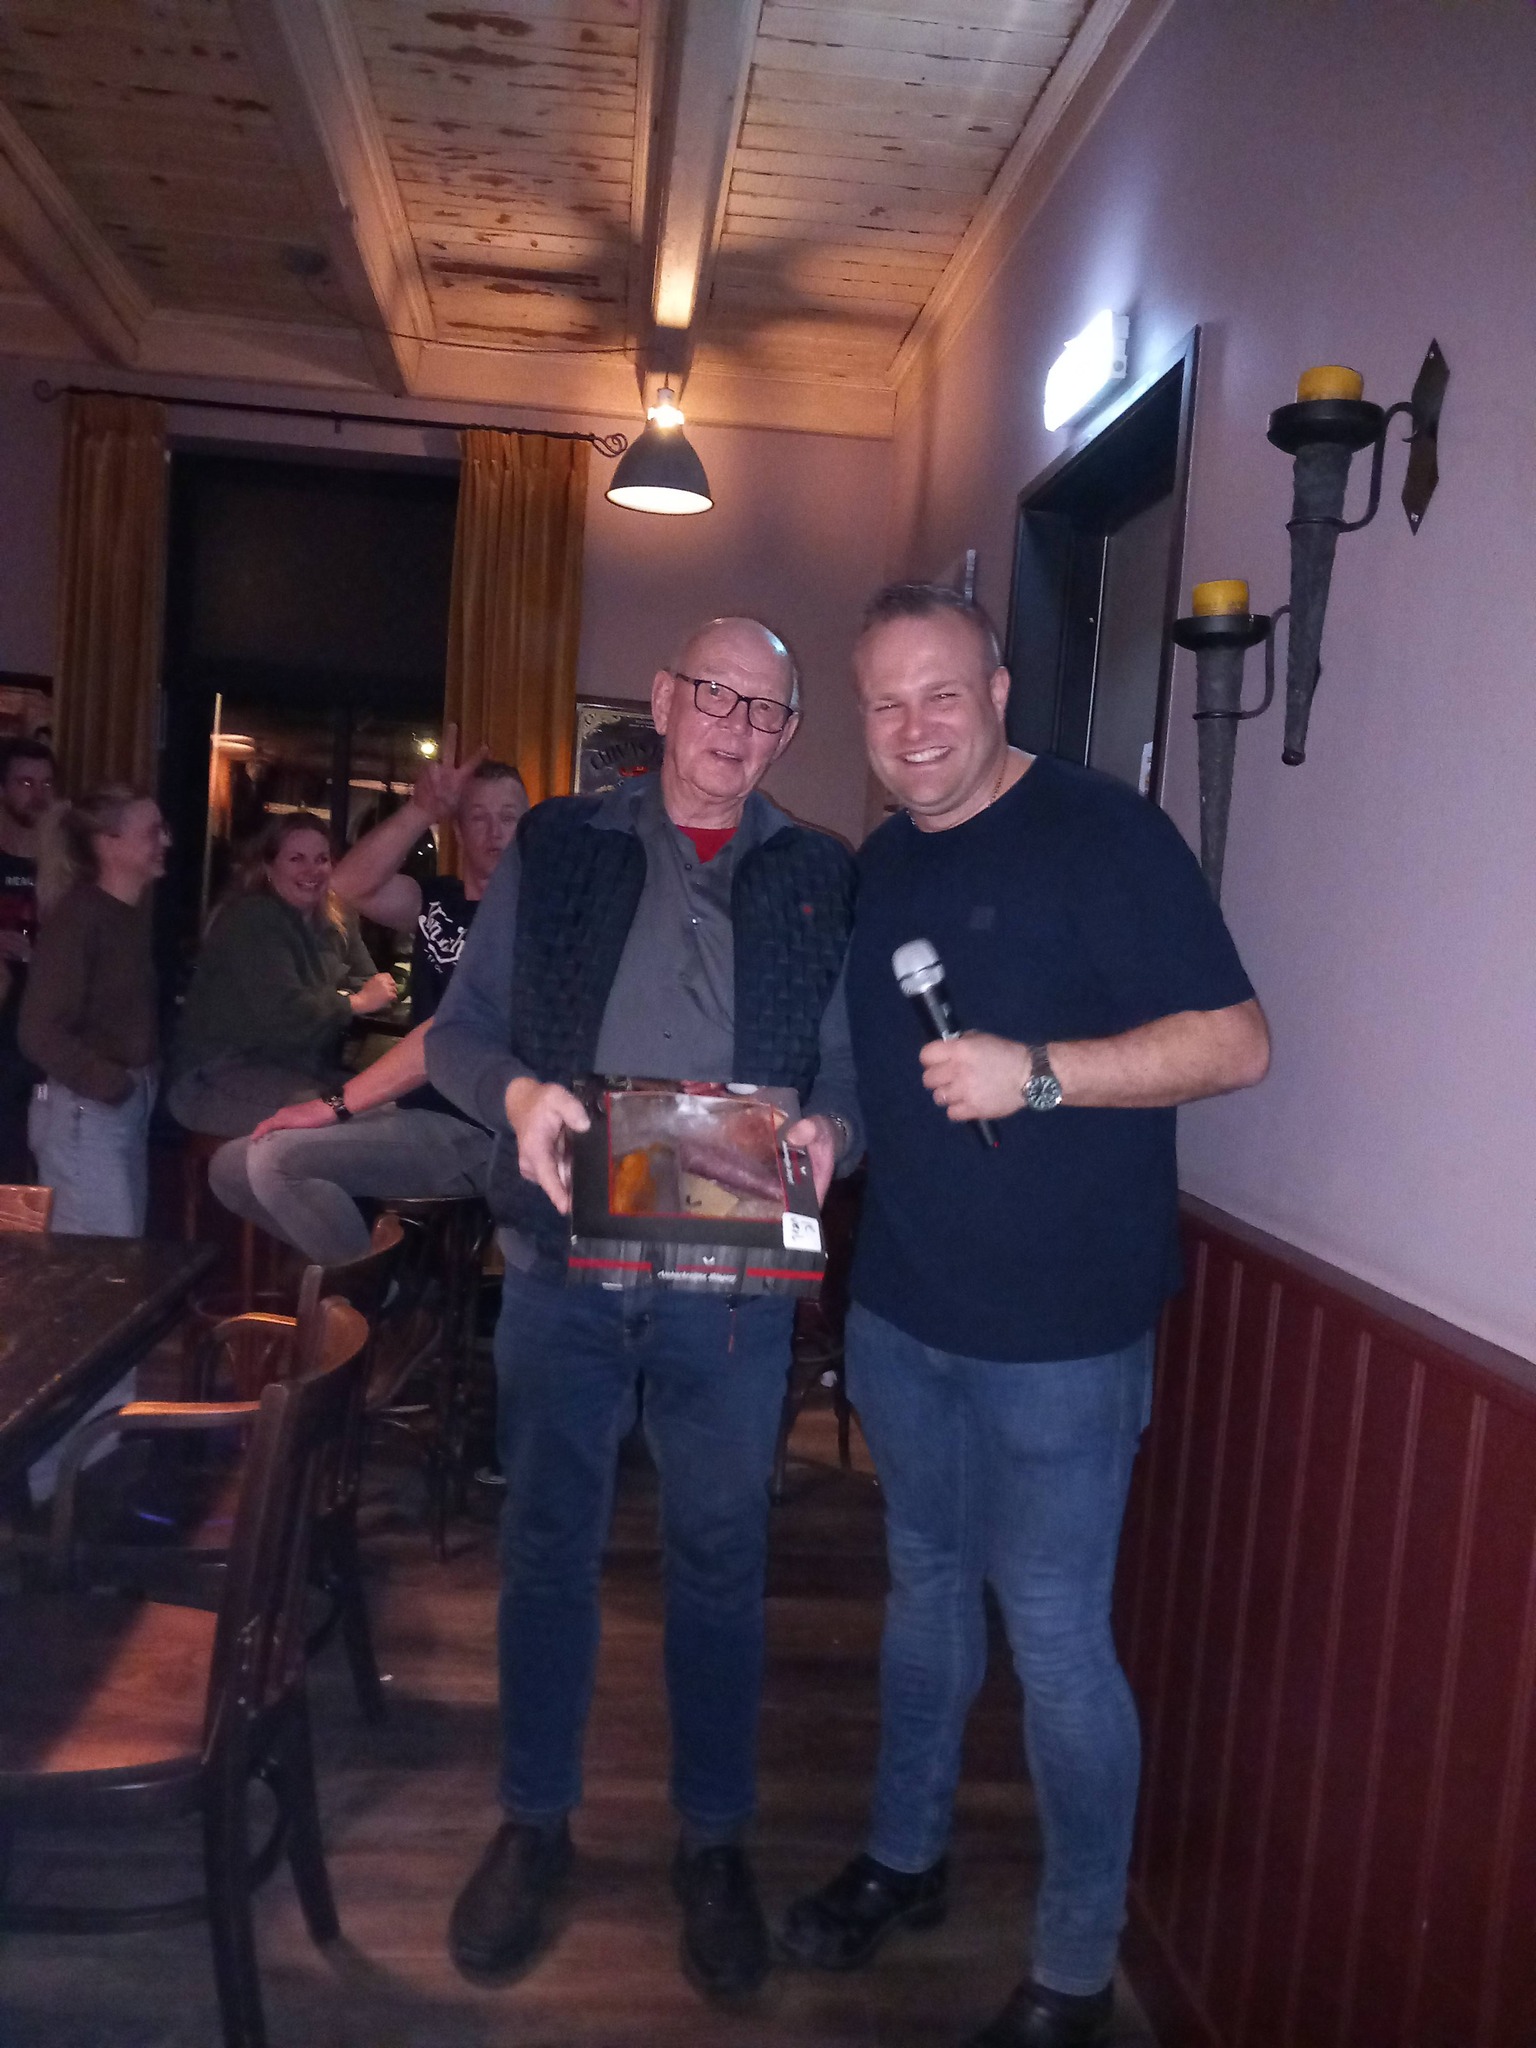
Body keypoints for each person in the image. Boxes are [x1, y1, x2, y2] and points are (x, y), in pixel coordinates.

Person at [779, 585, 1270, 2048]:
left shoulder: (1105, 833)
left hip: (1063, 1338)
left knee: (1055, 1640)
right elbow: (880, 1082)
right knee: (925, 1596)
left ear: (998, 690)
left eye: (941, 692)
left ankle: (1073, 1964)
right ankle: (905, 1856)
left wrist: (1039, 1073)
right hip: (903, 1316)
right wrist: (826, 1137)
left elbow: (1237, 1044)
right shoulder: (881, 866)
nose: (914, 727)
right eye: (885, 703)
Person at [425, 617, 861, 2000]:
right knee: (547, 1547)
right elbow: (455, 1034)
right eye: (716, 694)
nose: (736, 725)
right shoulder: (560, 843)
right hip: (566, 1261)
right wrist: (518, 1095)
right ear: (665, 700)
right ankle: (533, 1821)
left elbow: (850, 1073)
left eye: (766, 709)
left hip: (730, 1280)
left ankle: (713, 1843)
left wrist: (834, 1131)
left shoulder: (821, 874)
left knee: (722, 1560)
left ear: (789, 735)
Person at [204, 744, 527, 1264]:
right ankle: (381, 1272)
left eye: (508, 818)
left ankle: (369, 1295)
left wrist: (333, 1106)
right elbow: (348, 886)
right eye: (478, 817)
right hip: (417, 1110)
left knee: (274, 1163)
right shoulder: (437, 900)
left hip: (477, 1128)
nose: (495, 832)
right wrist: (420, 809)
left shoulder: (528, 919)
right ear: (458, 829)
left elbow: (445, 1037)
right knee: (229, 1168)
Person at [168, 812, 397, 1138]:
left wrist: (350, 999)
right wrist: (353, 1003)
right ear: (268, 866)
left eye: (321, 859)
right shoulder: (254, 918)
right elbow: (286, 1013)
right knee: (343, 1121)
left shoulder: (337, 917)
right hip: (221, 1074)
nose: (312, 870)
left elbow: (371, 984)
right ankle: (242, 1170)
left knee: (386, 1105)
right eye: (296, 859)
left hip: (297, 1067)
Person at [19, 785, 169, 1235]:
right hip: (87, 1112)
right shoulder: (81, 916)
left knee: (117, 1252)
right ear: (108, 842)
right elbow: (38, 1030)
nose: (166, 841)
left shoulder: (123, 914)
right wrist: (109, 1082)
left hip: (115, 1107)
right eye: (152, 832)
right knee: (100, 1260)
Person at [0, 737, 57, 1181]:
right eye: (24, 783)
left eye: (46, 784)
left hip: (45, 1006)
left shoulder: (65, 862)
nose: (37, 794)